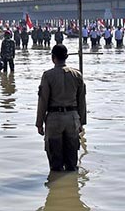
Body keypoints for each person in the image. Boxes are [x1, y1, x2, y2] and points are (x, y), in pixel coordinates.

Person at [36, 44, 86, 172]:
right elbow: (82, 100)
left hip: (54, 119)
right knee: (72, 162)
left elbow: (43, 100)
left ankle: (56, 188)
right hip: (72, 118)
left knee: (55, 163)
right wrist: (82, 122)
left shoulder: (48, 76)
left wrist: (39, 123)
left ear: (53, 58)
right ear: (66, 57)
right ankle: (72, 188)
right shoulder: (77, 75)